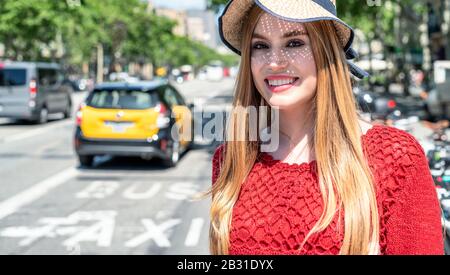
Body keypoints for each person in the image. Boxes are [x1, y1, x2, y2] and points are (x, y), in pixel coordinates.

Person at [208, 0, 443, 255]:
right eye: (260, 45)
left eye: (294, 42)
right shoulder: (232, 159)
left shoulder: (394, 158)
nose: (274, 62)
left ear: (326, 50)